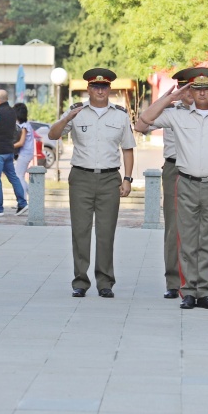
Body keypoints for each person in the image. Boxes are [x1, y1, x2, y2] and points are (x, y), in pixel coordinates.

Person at [135, 67, 208, 311]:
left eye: (206, 88)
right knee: (187, 240)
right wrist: (168, 98)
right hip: (186, 183)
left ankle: (205, 291)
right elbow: (142, 124)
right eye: (197, 88)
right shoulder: (177, 116)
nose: (202, 92)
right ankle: (188, 291)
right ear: (190, 90)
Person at [47, 68, 135, 298]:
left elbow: (127, 149)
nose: (99, 90)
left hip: (109, 179)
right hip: (81, 178)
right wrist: (67, 117)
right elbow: (52, 135)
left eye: (104, 86)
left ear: (110, 89)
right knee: (80, 231)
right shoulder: (76, 113)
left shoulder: (120, 115)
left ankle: (105, 282)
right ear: (88, 89)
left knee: (106, 233)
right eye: (95, 87)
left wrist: (127, 178)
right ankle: (80, 281)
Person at [157, 69, 196, 299]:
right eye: (183, 88)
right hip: (174, 169)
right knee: (173, 227)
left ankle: (193, 279)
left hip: (197, 170)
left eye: (191, 88)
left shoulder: (206, 113)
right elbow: (144, 120)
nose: (187, 93)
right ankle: (173, 281)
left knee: (196, 228)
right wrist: (166, 99)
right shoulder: (168, 111)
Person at [12, 101, 35, 212]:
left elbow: (21, 143)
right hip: (26, 154)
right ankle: (34, 197)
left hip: (24, 154)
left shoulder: (24, 127)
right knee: (19, 176)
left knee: (18, 176)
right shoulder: (25, 125)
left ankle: (23, 202)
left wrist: (8, 146)